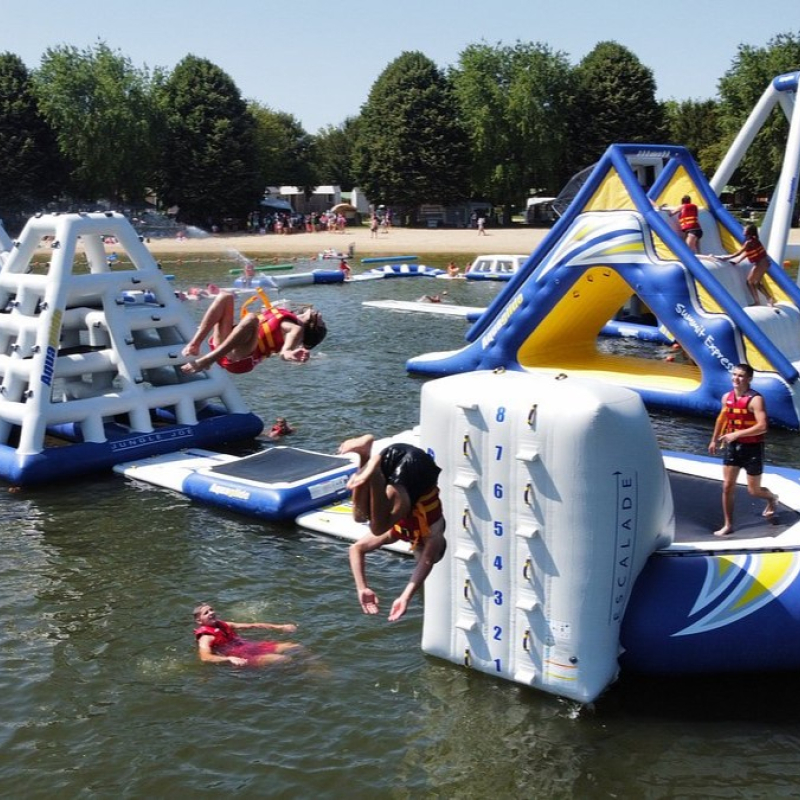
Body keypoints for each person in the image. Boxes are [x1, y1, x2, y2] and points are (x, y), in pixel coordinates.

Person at [338, 434, 446, 622]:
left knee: (359, 517)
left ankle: (365, 455)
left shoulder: (397, 532)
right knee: (378, 528)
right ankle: (375, 475)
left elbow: (356, 549)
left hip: (392, 456)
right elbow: (427, 562)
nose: (418, 560)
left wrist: (362, 587)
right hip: (417, 468)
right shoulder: (434, 534)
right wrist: (405, 597)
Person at [708, 363, 778, 537]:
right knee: (727, 486)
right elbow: (722, 419)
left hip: (752, 448)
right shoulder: (727, 397)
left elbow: (763, 426)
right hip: (732, 447)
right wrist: (714, 440)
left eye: (740, 376)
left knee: (753, 491)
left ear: (749, 379)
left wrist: (737, 434)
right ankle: (728, 524)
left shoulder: (755, 399)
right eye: (734, 375)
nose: (736, 379)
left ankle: (771, 498)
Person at [181, 292, 326, 374]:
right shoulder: (287, 314)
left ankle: (206, 361)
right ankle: (195, 344)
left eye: (323, 323)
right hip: (227, 344)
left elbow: (288, 346)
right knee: (225, 297)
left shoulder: (296, 329)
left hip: (239, 359)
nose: (321, 317)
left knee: (251, 318)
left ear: (314, 328)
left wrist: (287, 353)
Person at [193, 603, 302, 666]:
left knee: (296, 647)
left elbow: (252, 625)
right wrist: (229, 659)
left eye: (211, 610)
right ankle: (305, 675)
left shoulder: (225, 624)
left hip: (250, 646)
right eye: (206, 613)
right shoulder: (205, 637)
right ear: (199, 621)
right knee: (283, 659)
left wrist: (280, 627)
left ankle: (314, 666)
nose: (211, 612)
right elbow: (205, 657)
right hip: (242, 656)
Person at [717, 224, 776, 307]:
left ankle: (767, 299)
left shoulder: (749, 242)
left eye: (745, 230)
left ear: (750, 232)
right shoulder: (753, 240)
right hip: (763, 262)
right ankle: (762, 300)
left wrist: (725, 258)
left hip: (762, 263)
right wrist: (738, 261)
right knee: (752, 282)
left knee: (753, 282)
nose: (743, 231)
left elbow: (738, 253)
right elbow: (747, 253)